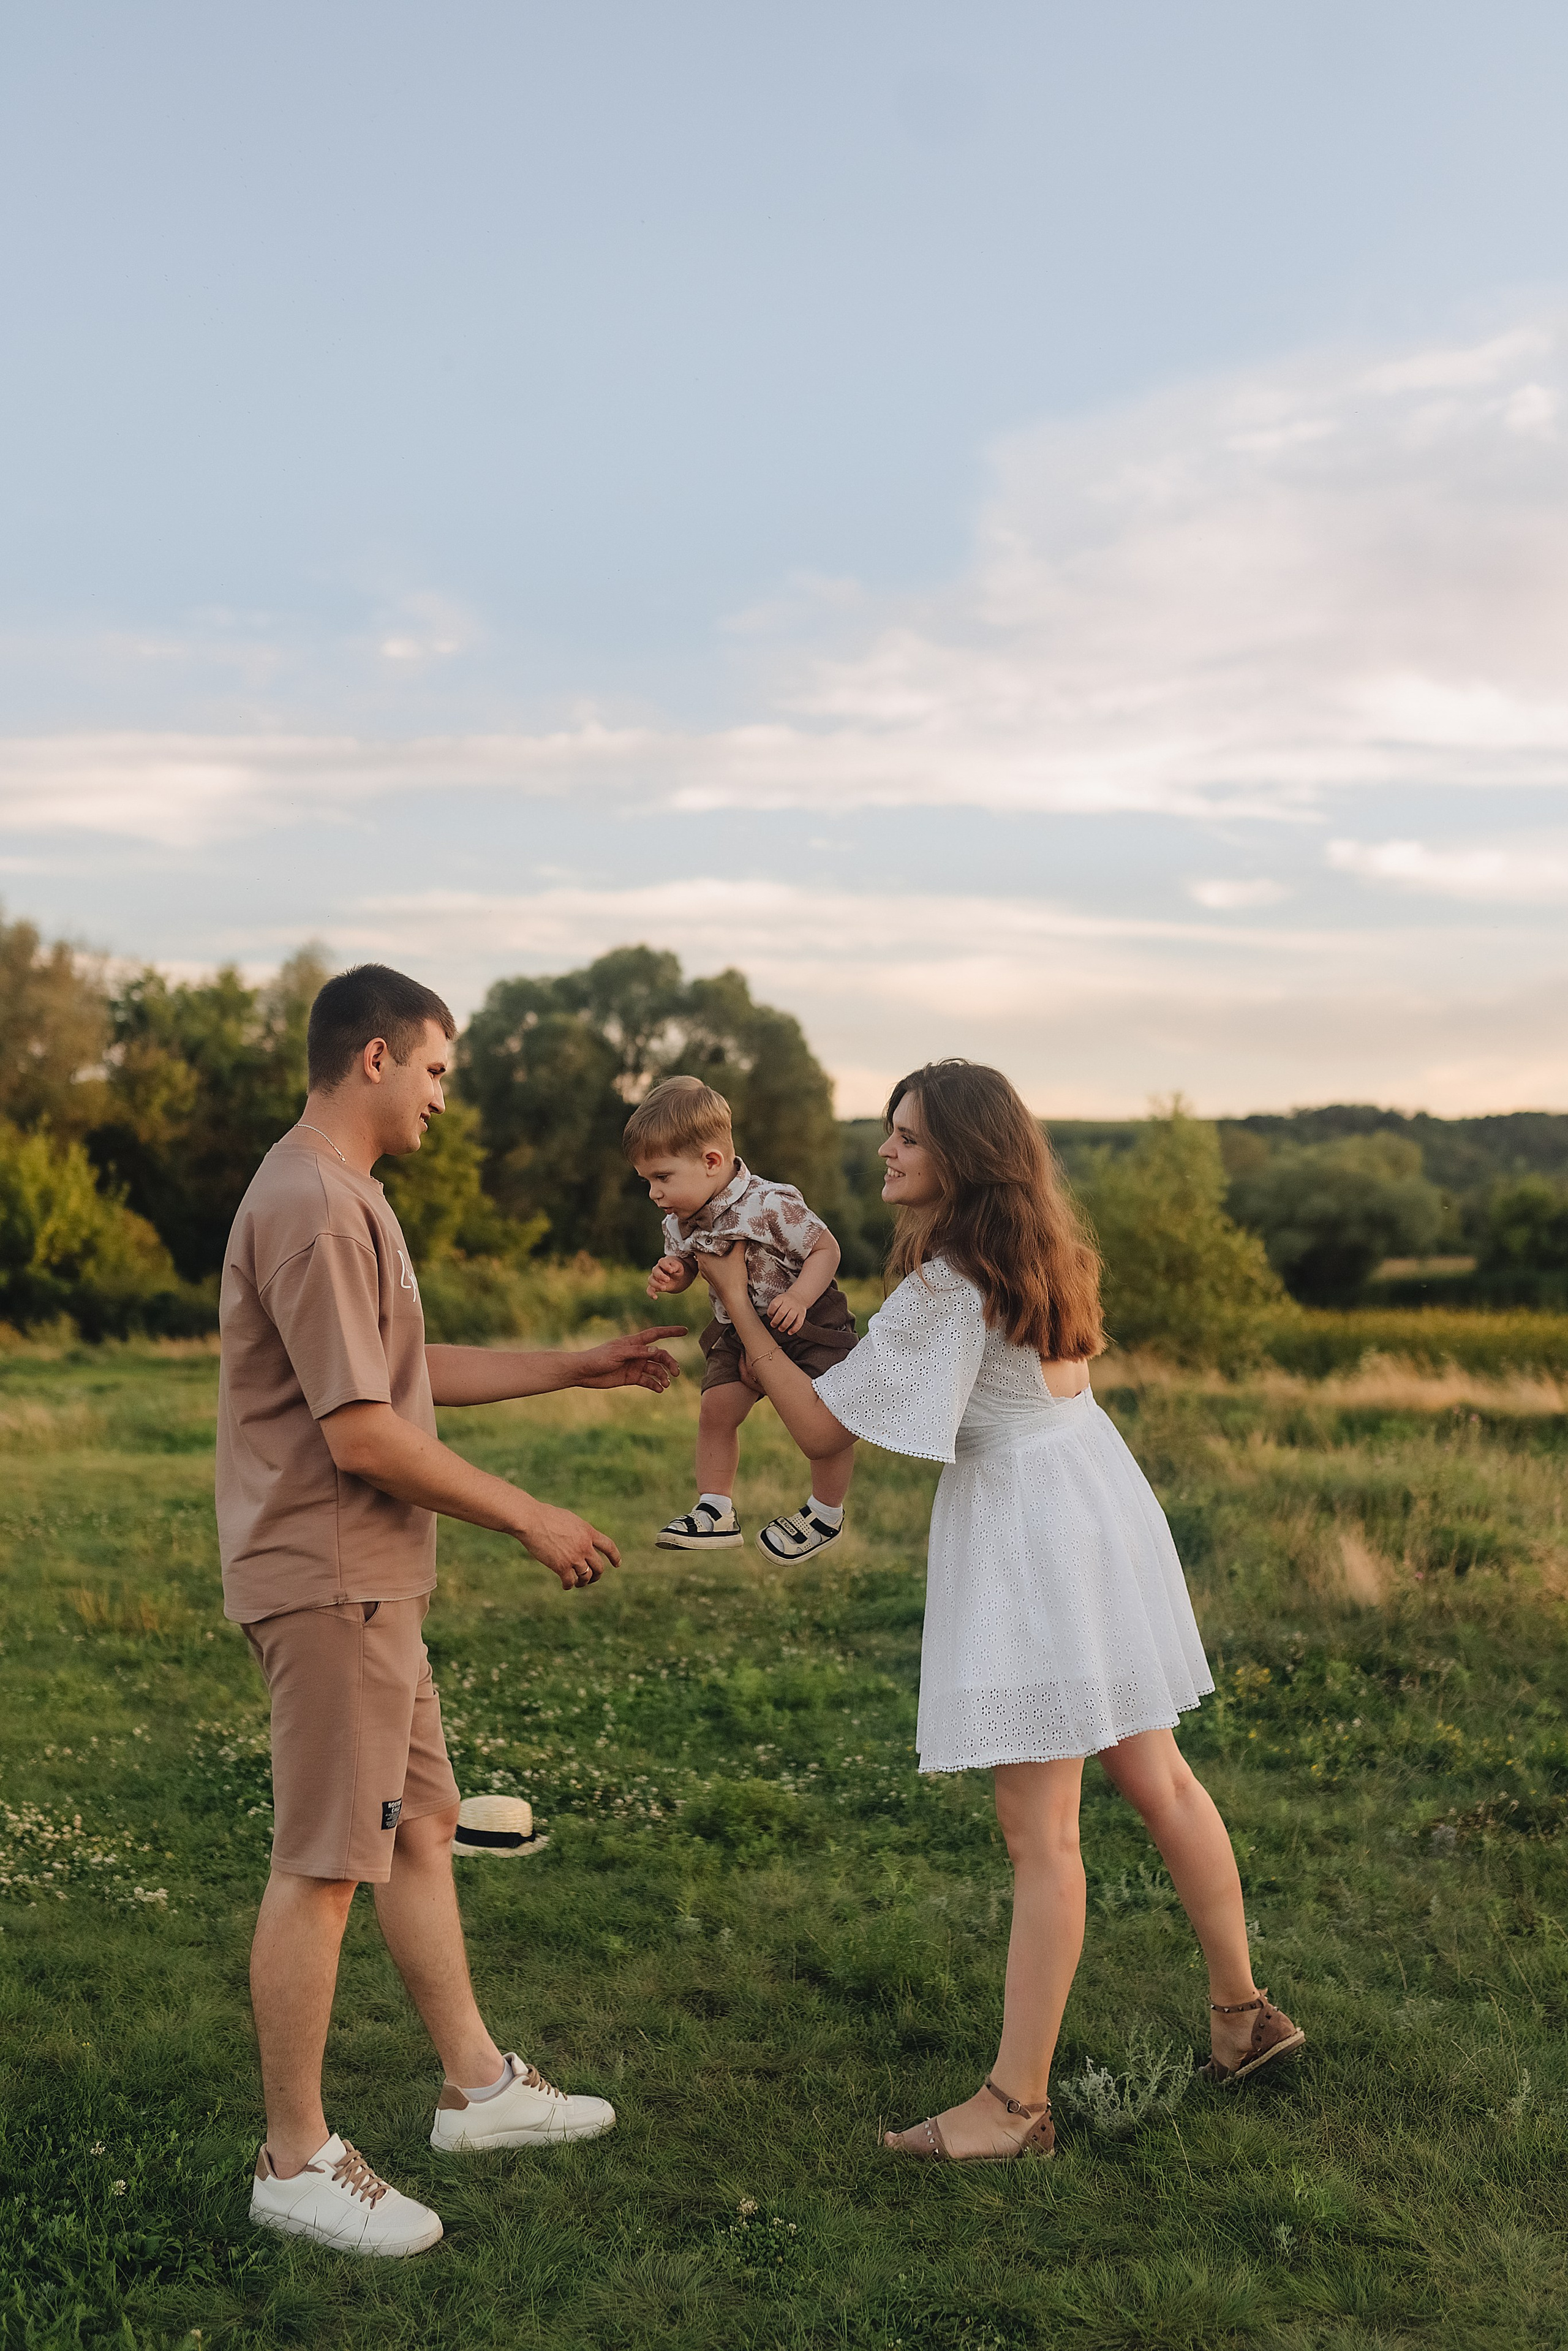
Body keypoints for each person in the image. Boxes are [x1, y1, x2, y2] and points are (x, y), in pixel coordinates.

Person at [693, 1059, 1305, 2164]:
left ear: (965, 1157)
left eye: (910, 1138)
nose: (887, 1151)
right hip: (1094, 1502)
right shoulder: (1032, 1250)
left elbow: (826, 1435)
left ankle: (1016, 2107)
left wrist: (738, 1302)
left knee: (1041, 1832)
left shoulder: (949, 1281)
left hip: (1035, 1534)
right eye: (891, 1133)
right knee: (1157, 1776)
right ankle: (1241, 2015)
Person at [217, 963, 685, 2255]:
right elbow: (363, 1431)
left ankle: (477, 2088)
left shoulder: (346, 1193)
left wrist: (576, 1364)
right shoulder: (314, 1201)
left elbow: (407, 1376)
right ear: (374, 1056)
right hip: (330, 1577)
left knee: (422, 1826)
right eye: (435, 1070)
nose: (442, 1098)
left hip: (370, 1582)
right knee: (324, 1862)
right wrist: (529, 1514)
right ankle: (295, 2155)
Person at [625, 1075, 859, 1562]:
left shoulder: (770, 1203)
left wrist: (798, 1297)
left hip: (807, 1318)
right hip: (739, 1327)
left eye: (662, 1178)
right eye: (646, 1181)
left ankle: (825, 1511)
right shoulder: (679, 1220)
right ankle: (715, 1509)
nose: (653, 1193)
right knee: (716, 1410)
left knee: (829, 1420)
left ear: (711, 1161)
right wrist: (676, 1273)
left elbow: (825, 1248)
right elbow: (693, 1265)